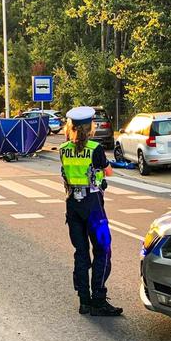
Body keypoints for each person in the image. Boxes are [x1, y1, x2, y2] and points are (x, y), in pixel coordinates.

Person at [60, 106, 122, 316]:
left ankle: (84, 301)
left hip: (72, 207)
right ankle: (99, 299)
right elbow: (108, 172)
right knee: (103, 250)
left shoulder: (63, 149)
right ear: (90, 126)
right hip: (93, 207)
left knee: (81, 254)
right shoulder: (95, 149)